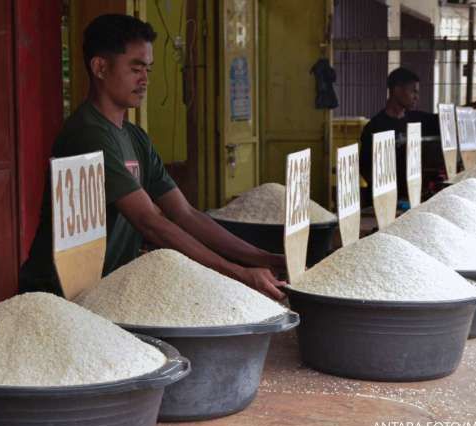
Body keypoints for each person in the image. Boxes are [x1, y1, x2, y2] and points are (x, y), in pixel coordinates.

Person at [20, 14, 286, 300]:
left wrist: (262, 258)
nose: (145, 79)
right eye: (135, 68)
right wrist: (238, 274)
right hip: (57, 295)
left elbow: (185, 214)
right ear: (100, 67)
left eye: (148, 69)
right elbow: (150, 221)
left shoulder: (135, 137)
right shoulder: (88, 134)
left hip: (100, 292)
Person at [359, 67, 439, 203]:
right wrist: (388, 196)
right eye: (413, 91)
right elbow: (365, 168)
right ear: (396, 90)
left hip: (416, 196)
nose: (416, 97)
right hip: (388, 200)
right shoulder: (375, 127)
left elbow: (448, 119)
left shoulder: (419, 120)